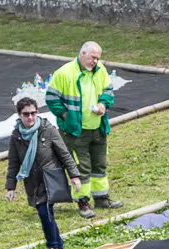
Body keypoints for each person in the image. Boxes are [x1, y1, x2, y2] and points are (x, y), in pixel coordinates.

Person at [46, 40, 122, 220]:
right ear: (82, 54)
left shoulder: (100, 70)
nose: (95, 61)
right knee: (82, 168)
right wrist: (66, 116)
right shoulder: (64, 73)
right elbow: (51, 98)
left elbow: (108, 90)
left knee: (99, 165)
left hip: (97, 129)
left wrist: (103, 104)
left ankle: (101, 198)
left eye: (98, 59)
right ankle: (83, 201)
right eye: (93, 57)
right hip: (76, 132)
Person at [4, 97, 82, 249]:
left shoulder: (48, 130)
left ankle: (53, 248)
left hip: (50, 179)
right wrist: (11, 187)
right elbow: (13, 163)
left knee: (44, 212)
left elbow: (64, 154)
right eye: (26, 114)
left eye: (33, 113)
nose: (30, 117)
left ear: (37, 112)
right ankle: (58, 245)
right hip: (32, 182)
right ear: (19, 115)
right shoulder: (16, 136)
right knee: (46, 214)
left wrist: (74, 176)